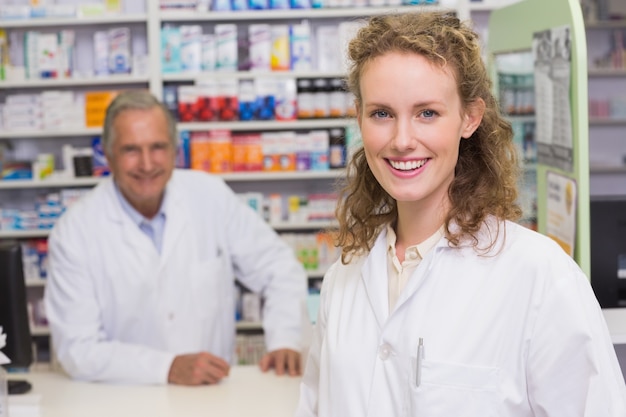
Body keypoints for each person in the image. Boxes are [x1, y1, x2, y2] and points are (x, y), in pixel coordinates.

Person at [296, 11, 626, 416]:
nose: (402, 140)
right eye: (381, 113)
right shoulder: (343, 280)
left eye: (427, 113)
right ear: (359, 117)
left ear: (469, 118)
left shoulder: (540, 277)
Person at [45, 90, 307, 385]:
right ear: (107, 154)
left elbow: (279, 267)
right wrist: (166, 368)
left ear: (174, 150)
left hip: (213, 396)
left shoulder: (209, 196)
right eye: (131, 150)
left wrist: (286, 338)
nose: (146, 164)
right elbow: (77, 350)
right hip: (122, 399)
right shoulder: (75, 231)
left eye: (157, 147)